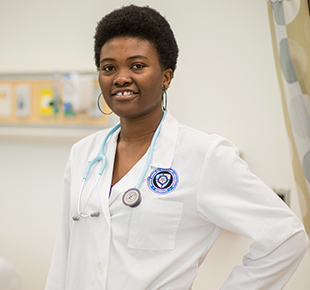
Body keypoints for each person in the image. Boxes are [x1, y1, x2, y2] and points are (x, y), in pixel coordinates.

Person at [45, 5, 308, 290]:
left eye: (137, 65)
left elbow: (287, 236)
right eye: (109, 67)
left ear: (166, 77)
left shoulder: (203, 155)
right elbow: (64, 253)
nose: (120, 78)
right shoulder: (83, 153)